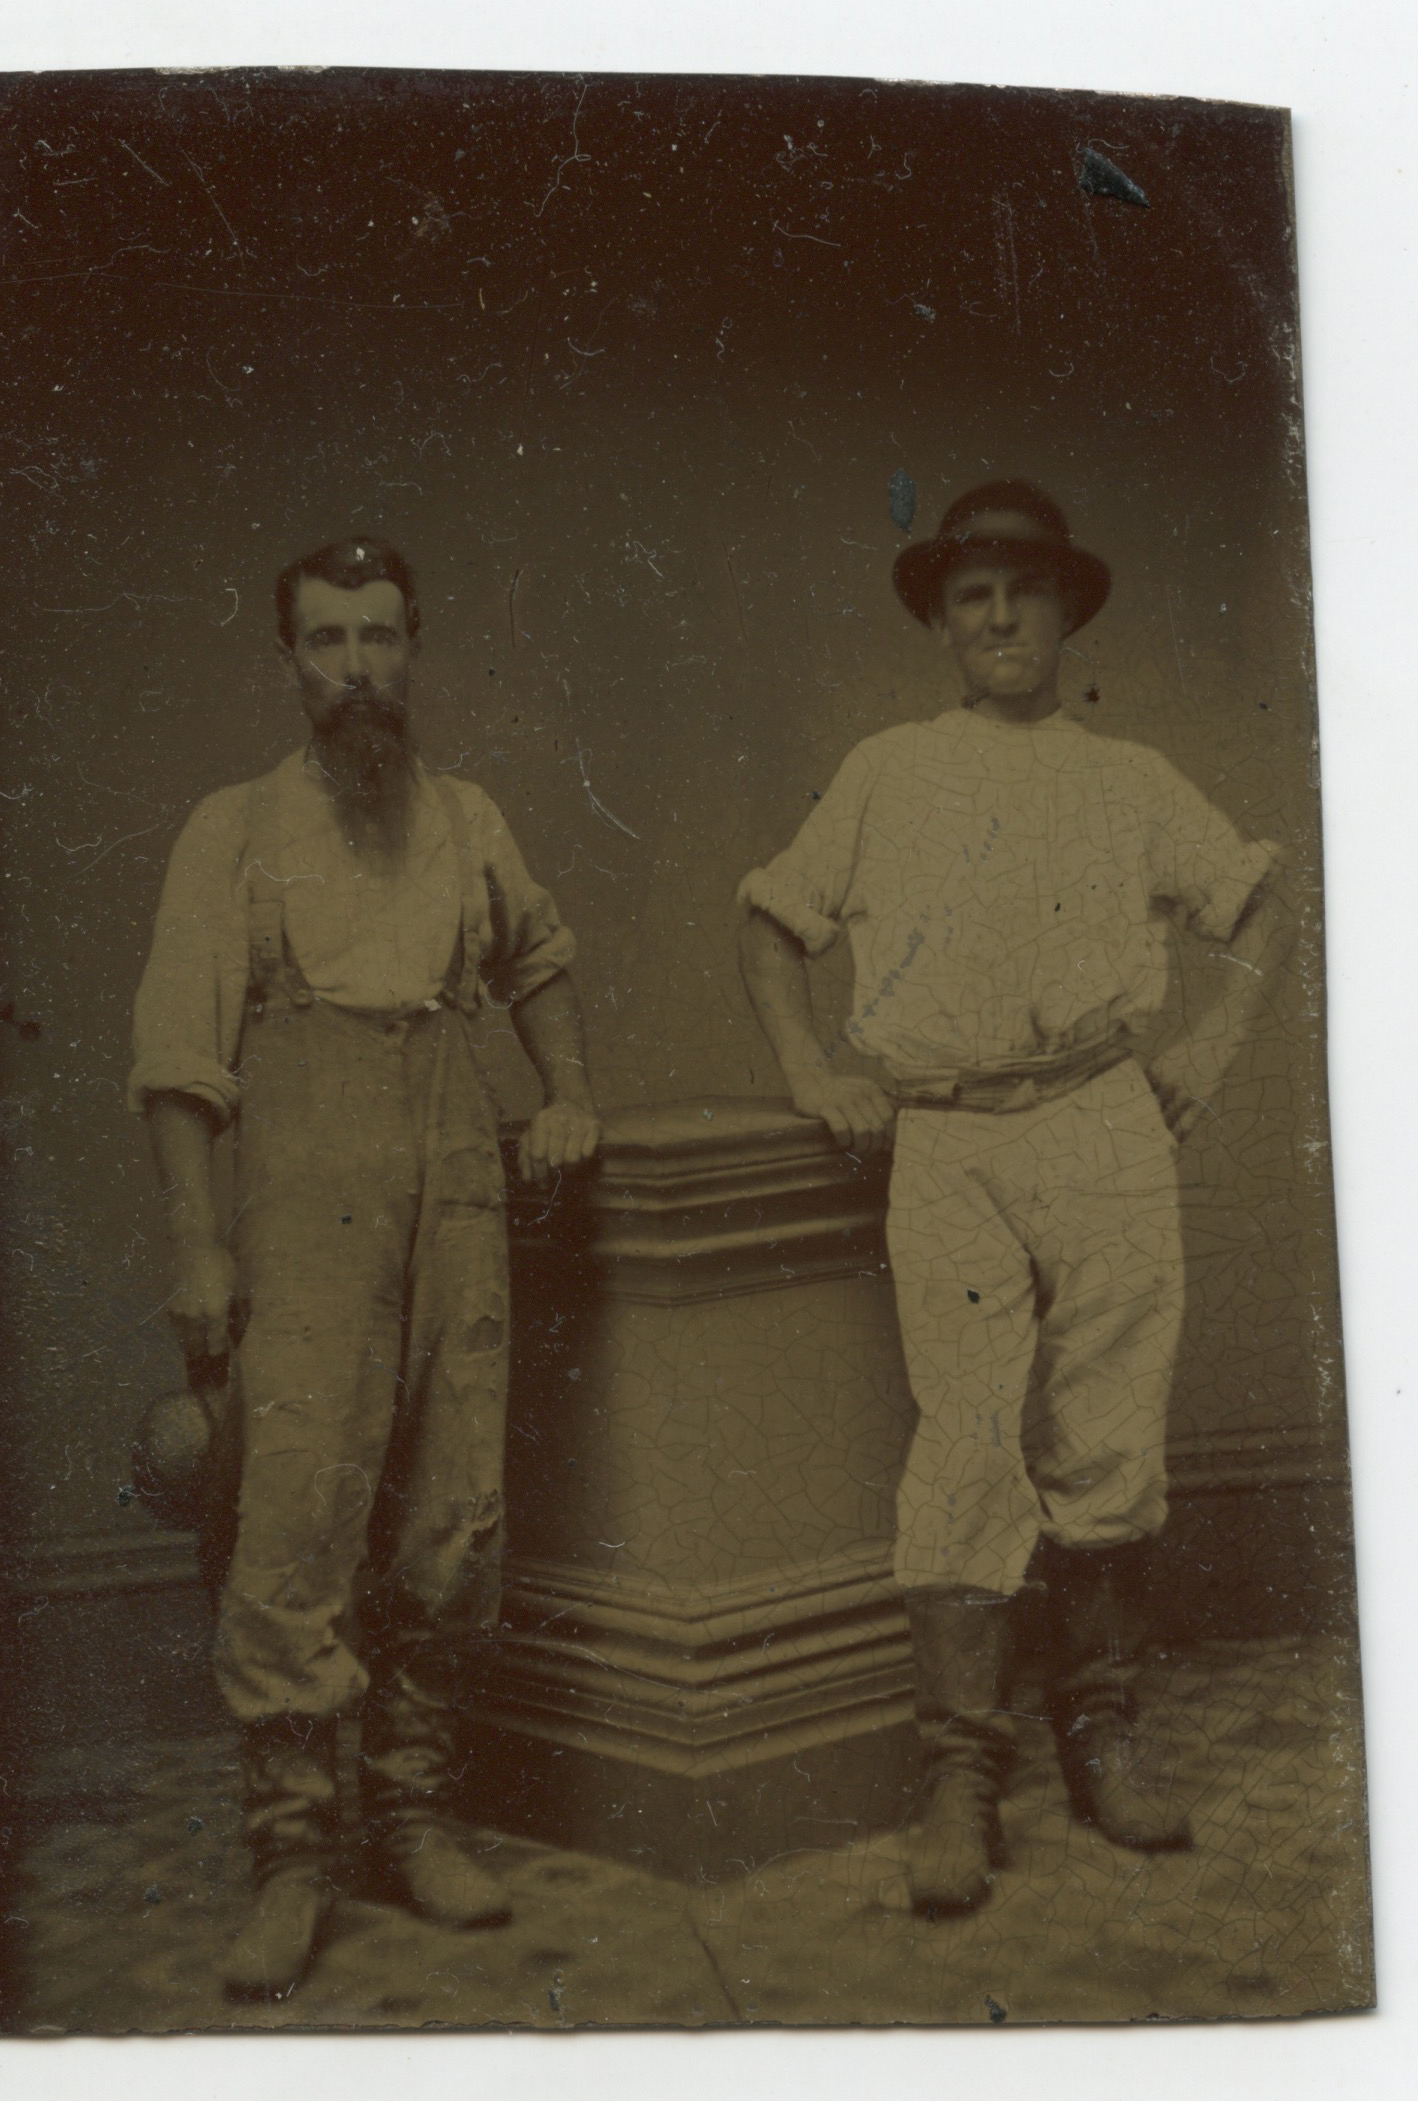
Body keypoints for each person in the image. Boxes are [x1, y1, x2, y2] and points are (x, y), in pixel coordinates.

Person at [736, 481, 1286, 1920]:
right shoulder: (887, 770)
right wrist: (812, 1070)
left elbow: (1252, 902)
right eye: (971, 594)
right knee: (968, 1445)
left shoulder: (1132, 777)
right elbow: (773, 923)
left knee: (1109, 1430)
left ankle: (1100, 1732)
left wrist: (1210, 1047)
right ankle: (959, 1771)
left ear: (1064, 611)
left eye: (1023, 591)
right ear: (940, 619)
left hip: (1102, 1117)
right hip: (948, 1133)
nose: (998, 617)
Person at [129, 533, 601, 1995]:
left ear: (412, 648)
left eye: (379, 637)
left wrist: (569, 1090)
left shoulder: (466, 818)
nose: (356, 669)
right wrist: (198, 1241)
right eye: (328, 640)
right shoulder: (234, 830)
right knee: (294, 1510)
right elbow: (179, 1059)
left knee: (455, 1503)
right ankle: (292, 1853)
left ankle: (412, 1814)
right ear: (291, 658)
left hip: (454, 1174)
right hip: (305, 1185)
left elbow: (540, 959)